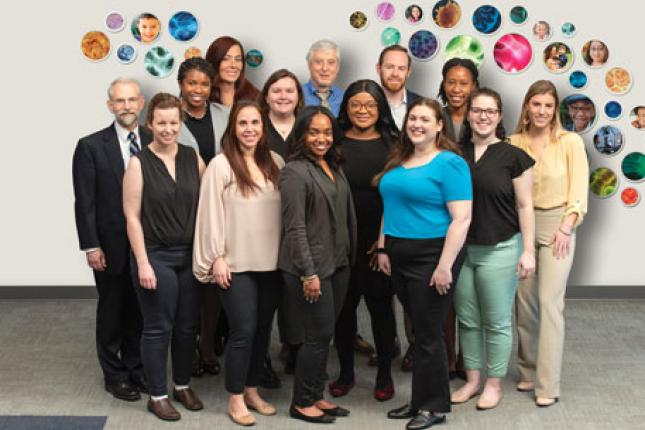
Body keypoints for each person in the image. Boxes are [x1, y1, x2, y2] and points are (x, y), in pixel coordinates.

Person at [376, 97, 472, 430]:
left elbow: (461, 219)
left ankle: (434, 407)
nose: (417, 124)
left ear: (439, 125)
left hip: (433, 255)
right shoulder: (400, 159)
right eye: (412, 118)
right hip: (399, 251)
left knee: (429, 333)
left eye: (425, 119)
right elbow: (391, 204)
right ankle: (420, 400)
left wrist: (445, 265)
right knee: (419, 331)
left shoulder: (449, 163)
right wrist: (382, 247)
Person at [193, 101, 284, 426]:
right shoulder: (221, 165)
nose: (249, 129)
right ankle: (234, 397)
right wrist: (216, 256)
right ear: (233, 128)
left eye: (255, 123)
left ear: (263, 128)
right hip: (235, 263)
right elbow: (209, 214)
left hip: (271, 264)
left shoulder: (275, 162)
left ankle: (252, 389)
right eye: (242, 123)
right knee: (243, 330)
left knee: (262, 331)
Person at [450, 88, 535, 410]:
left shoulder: (514, 157)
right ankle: (472, 380)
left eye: (490, 111)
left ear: (499, 116)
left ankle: (493, 384)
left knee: (497, 321)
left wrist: (528, 251)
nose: (483, 116)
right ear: (469, 114)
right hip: (462, 251)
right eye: (477, 110)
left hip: (500, 249)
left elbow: (526, 206)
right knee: (468, 320)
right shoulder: (454, 153)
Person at [123, 93, 206, 421]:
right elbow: (131, 216)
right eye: (162, 123)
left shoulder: (193, 157)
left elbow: (208, 207)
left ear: (180, 123)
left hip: (189, 256)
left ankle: (182, 385)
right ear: (150, 124)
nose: (168, 128)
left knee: (187, 328)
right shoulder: (138, 163)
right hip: (155, 256)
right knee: (159, 326)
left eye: (174, 122)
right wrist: (142, 262)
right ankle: (157, 395)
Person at [510, 80, 589, 407]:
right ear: (527, 107)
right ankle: (528, 370)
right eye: (536, 104)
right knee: (524, 304)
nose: (541, 111)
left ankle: (547, 384)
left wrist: (566, 227)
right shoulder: (512, 142)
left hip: (559, 226)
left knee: (549, 303)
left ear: (554, 109)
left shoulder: (569, 142)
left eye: (547, 105)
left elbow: (579, 190)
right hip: (520, 229)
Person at [72, 77, 149, 402]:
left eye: (132, 100)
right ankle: (114, 375)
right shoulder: (90, 146)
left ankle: (136, 369)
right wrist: (92, 246)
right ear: (110, 106)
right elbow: (85, 201)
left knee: (139, 312)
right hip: (110, 245)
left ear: (141, 103)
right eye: (120, 101)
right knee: (112, 313)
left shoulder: (154, 138)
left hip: (147, 244)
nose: (127, 106)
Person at [279, 106, 357, 424]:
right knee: (316, 335)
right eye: (314, 132)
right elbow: (295, 228)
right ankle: (301, 402)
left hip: (337, 264)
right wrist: (308, 272)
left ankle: (316, 395)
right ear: (301, 135)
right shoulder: (294, 172)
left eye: (326, 132)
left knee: (325, 334)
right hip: (309, 269)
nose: (321, 138)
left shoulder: (332, 165)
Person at [330, 79, 399, 401]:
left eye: (370, 105)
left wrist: (384, 242)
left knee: (381, 310)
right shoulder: (334, 141)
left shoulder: (394, 144)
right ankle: (346, 373)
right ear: (345, 108)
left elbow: (400, 197)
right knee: (343, 312)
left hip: (378, 244)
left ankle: (385, 374)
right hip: (340, 241)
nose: (362, 111)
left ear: (380, 109)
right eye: (355, 104)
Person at [175, 57, 229, 378]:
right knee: (188, 285)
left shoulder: (224, 114)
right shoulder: (168, 118)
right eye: (192, 83)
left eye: (204, 84)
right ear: (181, 84)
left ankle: (207, 344)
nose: (198, 90)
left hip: (221, 209)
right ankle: (188, 348)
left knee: (213, 284)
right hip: (184, 210)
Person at [437, 57, 479, 380]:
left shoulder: (481, 118)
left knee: (468, 294)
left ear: (473, 86)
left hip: (475, 216)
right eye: (451, 81)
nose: (456, 89)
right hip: (439, 215)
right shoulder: (434, 117)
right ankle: (446, 358)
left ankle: (468, 359)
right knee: (443, 291)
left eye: (463, 83)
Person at [258, 68, 305, 159]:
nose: (283, 96)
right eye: (276, 91)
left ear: (298, 97)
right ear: (266, 97)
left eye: (289, 91)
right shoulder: (255, 126)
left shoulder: (308, 126)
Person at [376, 45, 422, 130]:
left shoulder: (423, 104)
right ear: (378, 69)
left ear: (408, 72)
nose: (395, 74)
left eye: (401, 68)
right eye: (389, 67)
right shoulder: (366, 104)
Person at [205, 36, 260, 107]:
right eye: (226, 59)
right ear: (214, 61)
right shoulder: (202, 95)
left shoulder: (255, 96)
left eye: (238, 59)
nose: (233, 65)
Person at [302, 40, 344, 117]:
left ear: (337, 67)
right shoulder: (296, 96)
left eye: (331, 62)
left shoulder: (345, 98)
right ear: (309, 65)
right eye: (318, 62)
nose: (325, 68)